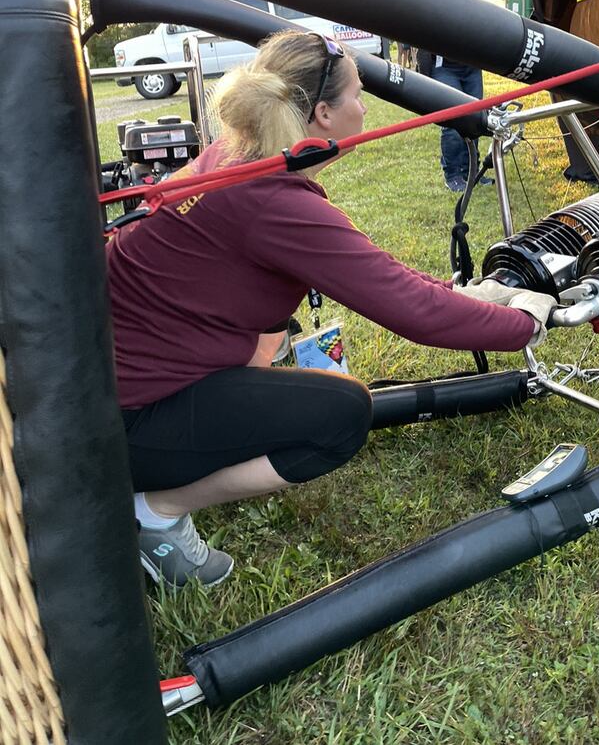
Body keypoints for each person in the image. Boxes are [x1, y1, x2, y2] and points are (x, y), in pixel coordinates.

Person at [107, 30, 557, 587]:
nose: (365, 107)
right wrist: (527, 323)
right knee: (340, 416)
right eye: (358, 95)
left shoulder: (239, 155)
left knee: (274, 336)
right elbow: (412, 311)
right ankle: (155, 510)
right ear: (322, 113)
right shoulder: (273, 202)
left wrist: (471, 295)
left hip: (106, 391)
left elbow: (384, 274)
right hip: (120, 427)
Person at [419, 0, 538, 193]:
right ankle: (453, 174)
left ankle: (471, 173)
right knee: (454, 118)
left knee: (474, 120)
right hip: (442, 66)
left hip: (471, 64)